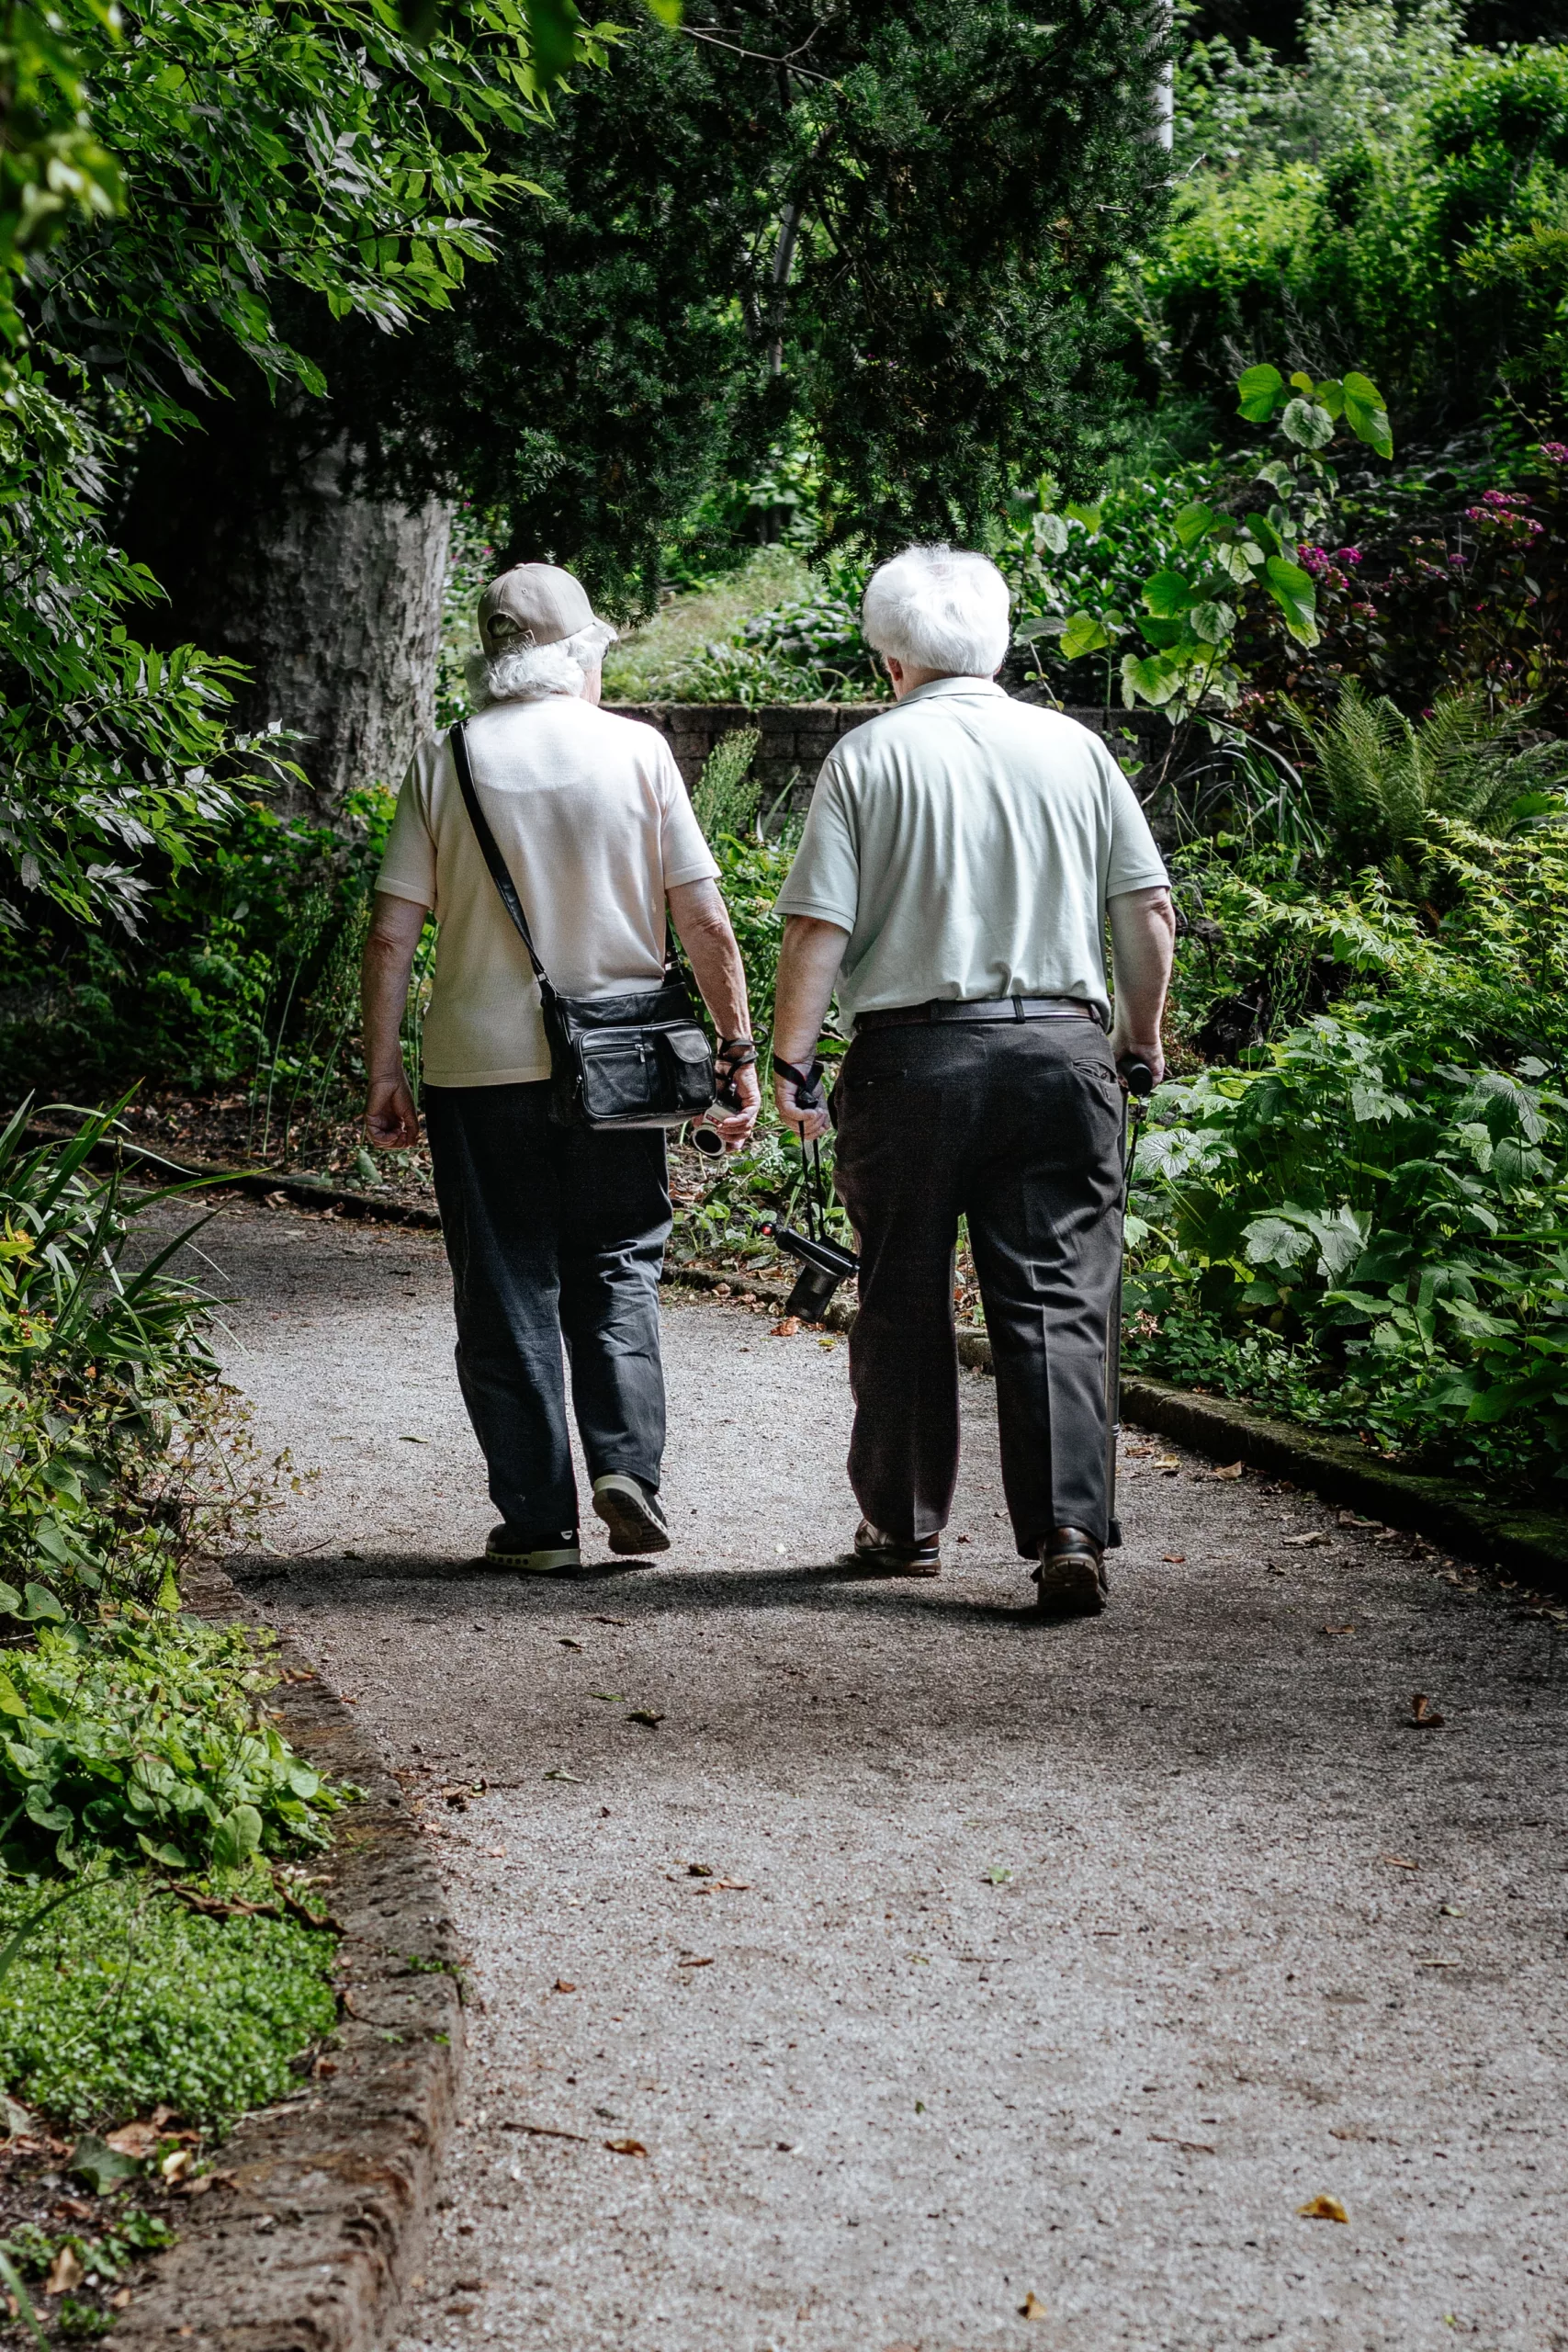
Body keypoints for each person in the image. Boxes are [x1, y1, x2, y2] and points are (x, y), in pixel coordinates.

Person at [770, 544, 1174, 1617]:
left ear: (890, 657)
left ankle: (903, 1526)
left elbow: (820, 927)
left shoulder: (868, 757)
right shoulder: (1075, 749)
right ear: (997, 643)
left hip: (912, 1061)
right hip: (1058, 1050)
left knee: (900, 1289)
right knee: (1056, 1298)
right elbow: (1147, 911)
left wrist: (794, 1060)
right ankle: (1069, 1531)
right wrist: (1140, 1036)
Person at [362, 560, 761, 1574]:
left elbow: (390, 936)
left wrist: (382, 1070)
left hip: (476, 1069)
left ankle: (537, 1520)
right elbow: (703, 917)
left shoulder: (443, 758)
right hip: (622, 1066)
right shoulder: (638, 751)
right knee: (619, 1261)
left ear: (493, 658)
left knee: (503, 1284)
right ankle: (628, 1467)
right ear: (581, 651)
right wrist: (738, 1047)